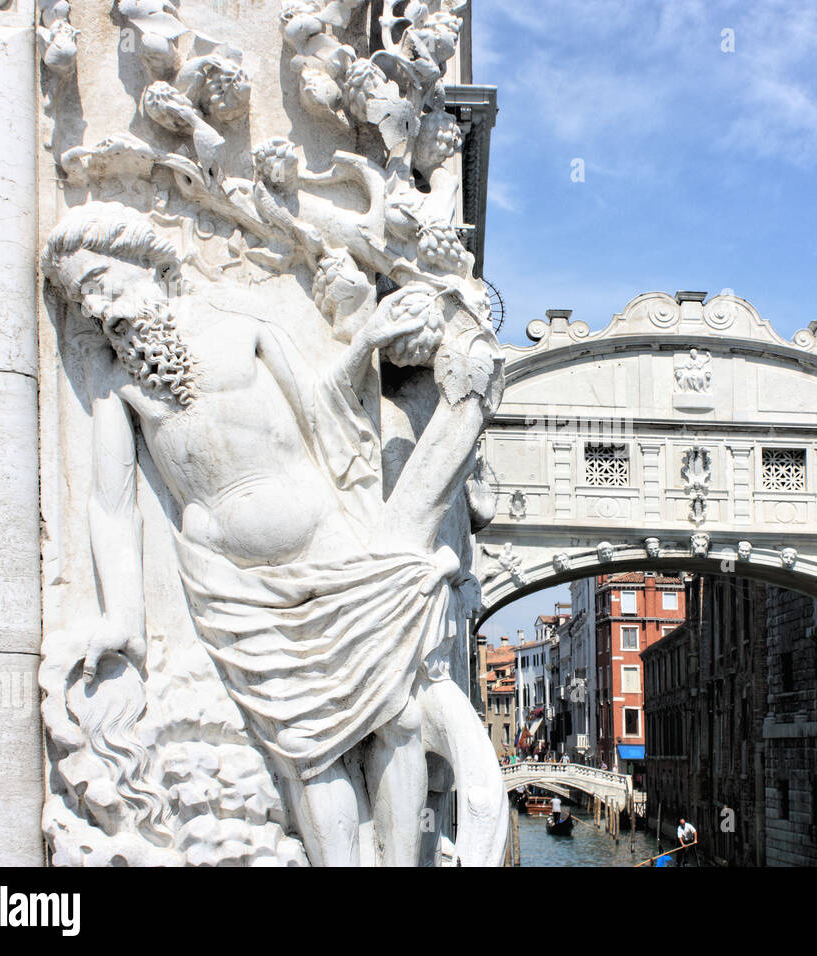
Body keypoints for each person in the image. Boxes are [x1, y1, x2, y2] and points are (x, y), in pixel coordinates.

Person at [40, 202, 507, 867]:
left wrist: (367, 342)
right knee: (307, 749)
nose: (94, 307)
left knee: (395, 715)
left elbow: (325, 407)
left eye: (99, 281)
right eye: (80, 299)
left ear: (141, 256)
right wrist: (123, 615)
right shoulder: (119, 391)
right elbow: (112, 505)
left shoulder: (240, 324)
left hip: (327, 545)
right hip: (232, 586)